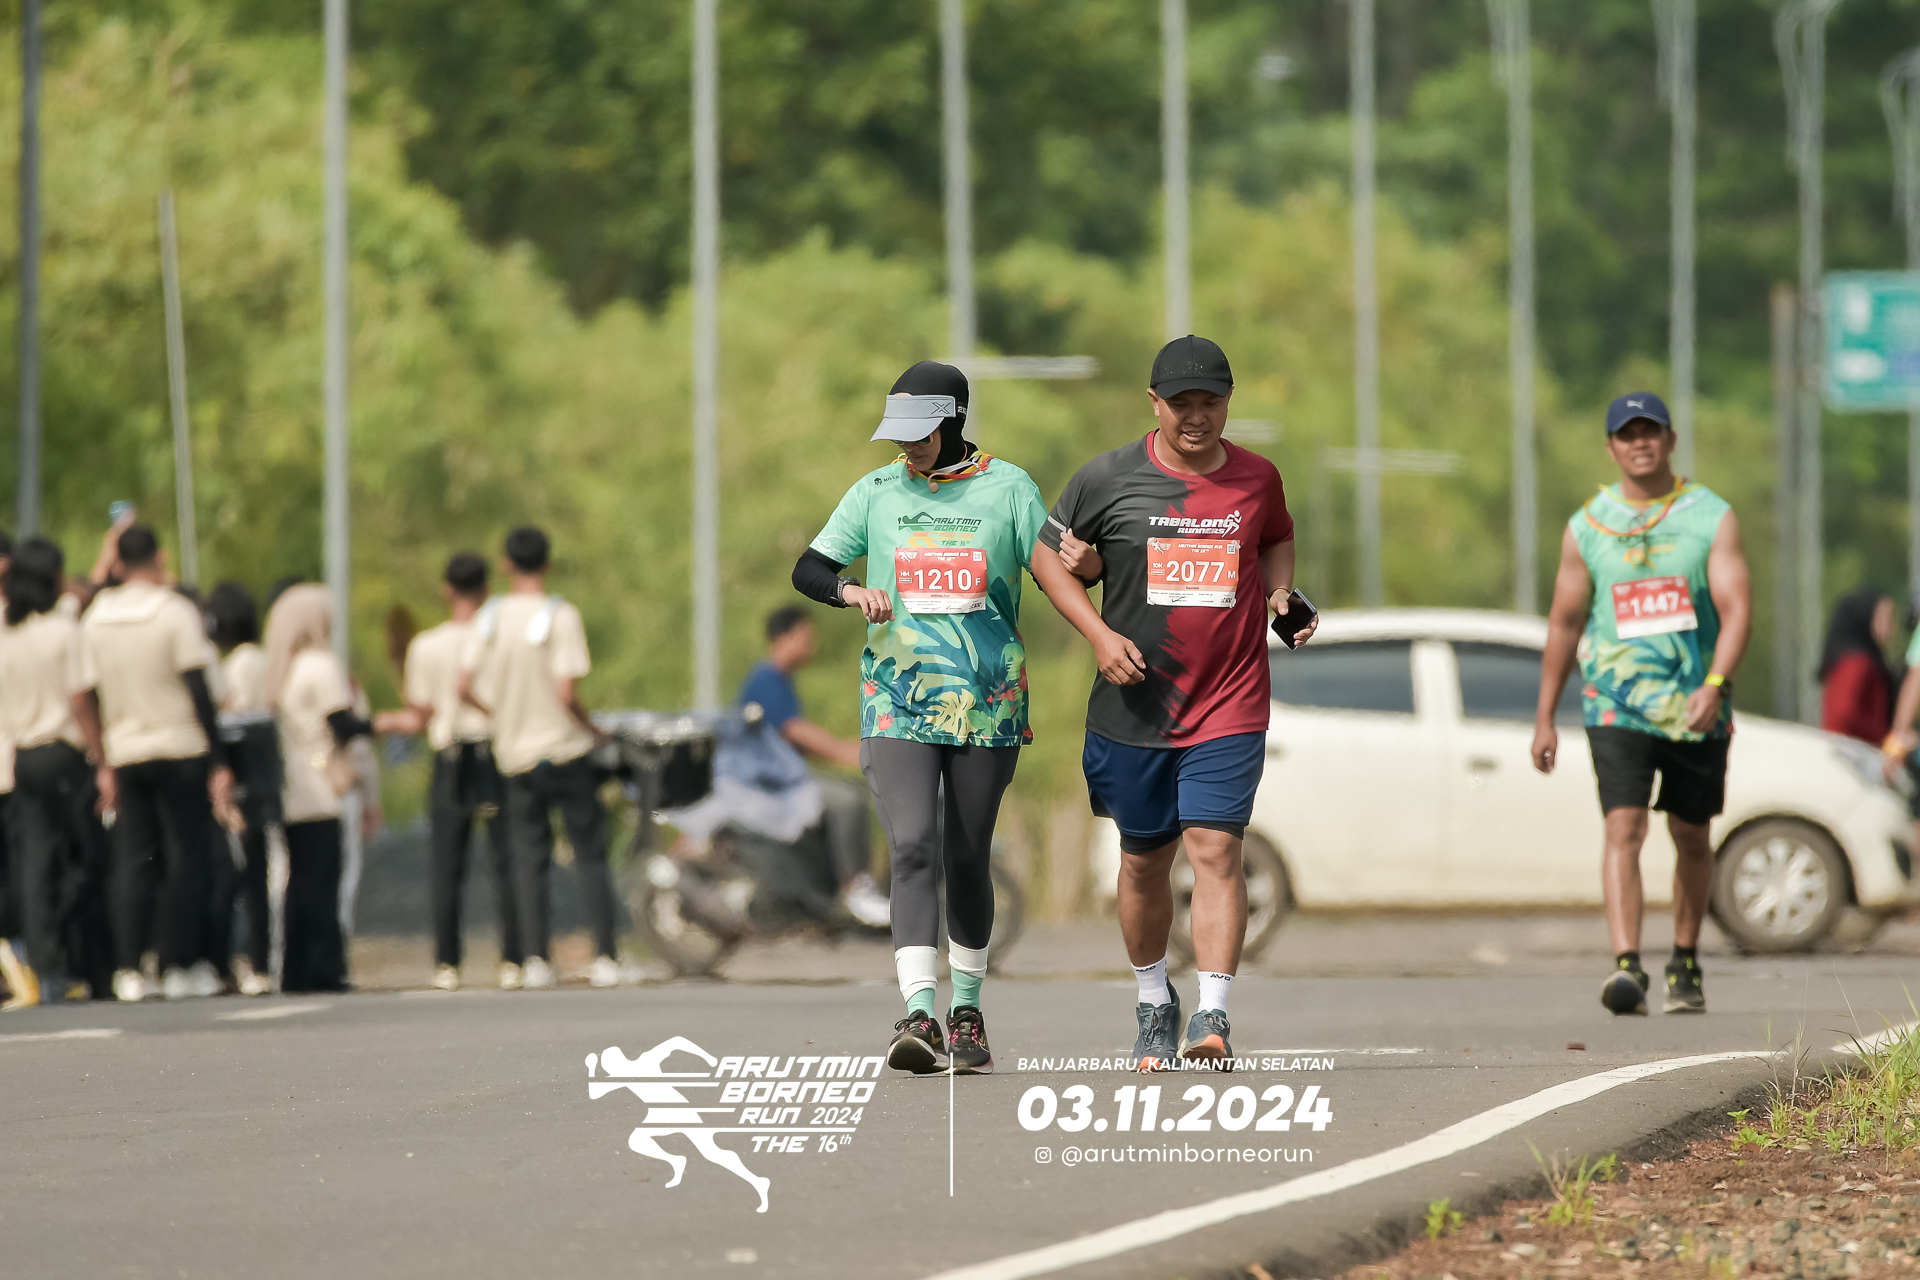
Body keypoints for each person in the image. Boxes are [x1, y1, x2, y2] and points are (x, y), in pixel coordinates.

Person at [1031, 335, 1311, 1070]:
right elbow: (1045, 556)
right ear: (1153, 403)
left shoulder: (1257, 478)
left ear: (1228, 402)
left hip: (1229, 701)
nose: (1196, 417)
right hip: (1135, 709)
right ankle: (1155, 1000)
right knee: (1143, 863)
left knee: (1216, 849)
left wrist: (1280, 592)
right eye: (1180, 403)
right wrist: (1097, 634)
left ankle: (1212, 1015)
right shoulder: (1107, 477)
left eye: (1209, 402)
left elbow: (1277, 538)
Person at [793, 359, 1048, 1075]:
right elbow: (810, 568)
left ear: (954, 419)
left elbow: (1060, 572)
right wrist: (849, 591)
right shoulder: (876, 492)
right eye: (898, 432)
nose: (907, 445)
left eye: (920, 431)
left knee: (965, 854)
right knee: (910, 846)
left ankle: (967, 1010)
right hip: (896, 699)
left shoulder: (1010, 489)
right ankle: (918, 1014)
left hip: (986, 703)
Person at [1532, 393, 1751, 1018]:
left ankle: (1685, 958)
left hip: (1695, 704)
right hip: (1615, 703)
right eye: (1627, 434)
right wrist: (1545, 715)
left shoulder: (1711, 516)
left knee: (1691, 834)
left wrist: (1715, 683)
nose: (1640, 442)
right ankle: (1626, 965)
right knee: (1622, 827)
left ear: (1670, 440)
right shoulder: (1588, 525)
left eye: (1650, 430)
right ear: (1611, 448)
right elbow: (1565, 622)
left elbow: (1737, 608)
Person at [81, 524, 239, 1003]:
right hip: (179, 744)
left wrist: (102, 756)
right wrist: (219, 759)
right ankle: (179, 963)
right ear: (160, 557)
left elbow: (86, 691)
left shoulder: (97, 617)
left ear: (117, 563)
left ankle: (130, 967)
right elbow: (198, 687)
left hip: (125, 748)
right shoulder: (174, 612)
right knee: (184, 858)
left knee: (135, 857)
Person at [459, 526, 617, 991]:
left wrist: (502, 715)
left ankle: (534, 960)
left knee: (529, 858)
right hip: (565, 750)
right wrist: (593, 730)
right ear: (547, 564)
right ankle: (607, 957)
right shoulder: (560, 615)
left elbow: (463, 686)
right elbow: (566, 692)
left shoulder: (489, 618)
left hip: (515, 755)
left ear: (506, 565)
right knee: (590, 854)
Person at [373, 552, 524, 992]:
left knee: (447, 864)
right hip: (496, 752)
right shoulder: (499, 641)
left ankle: (447, 963)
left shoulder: (427, 645)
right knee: (506, 859)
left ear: (446, 590)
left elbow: (420, 714)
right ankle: (514, 959)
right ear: (486, 588)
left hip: (451, 756)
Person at [0, 538, 115, 1006]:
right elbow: (81, 699)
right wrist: (102, 760)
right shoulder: (63, 631)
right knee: (88, 856)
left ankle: (44, 962)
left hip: (23, 756)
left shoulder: (7, 635)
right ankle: (64, 939)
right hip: (62, 752)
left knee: (35, 860)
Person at [737, 606, 889, 928]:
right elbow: (797, 732)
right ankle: (856, 889)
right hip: (768, 785)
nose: (811, 644)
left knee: (851, 790)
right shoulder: (767, 679)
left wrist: (851, 751)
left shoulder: (780, 680)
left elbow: (795, 744)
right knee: (847, 800)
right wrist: (848, 752)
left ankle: (833, 890)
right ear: (783, 637)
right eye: (805, 636)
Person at [264, 585, 371, 994]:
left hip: (288, 783)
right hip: (320, 784)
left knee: (297, 881)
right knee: (323, 879)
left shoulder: (280, 669)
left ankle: (295, 968)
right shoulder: (321, 665)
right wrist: (384, 724)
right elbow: (340, 723)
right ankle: (326, 965)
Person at [207, 582, 276, 995]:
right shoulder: (260, 658)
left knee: (243, 876)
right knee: (256, 876)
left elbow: (237, 719)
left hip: (242, 782)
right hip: (261, 782)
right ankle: (259, 959)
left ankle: (251, 960)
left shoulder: (240, 664)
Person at [1818, 588, 1896, 744]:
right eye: (1884, 619)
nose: (1891, 628)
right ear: (1865, 617)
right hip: (1850, 752)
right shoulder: (1857, 663)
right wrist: (1885, 737)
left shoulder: (1864, 661)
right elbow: (1843, 713)